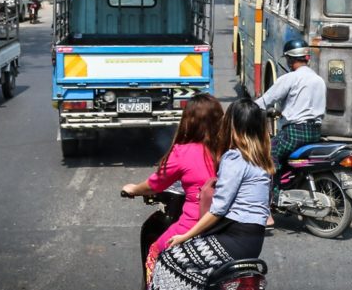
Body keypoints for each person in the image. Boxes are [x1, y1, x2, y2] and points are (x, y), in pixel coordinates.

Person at [151, 98, 274, 290]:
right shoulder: (262, 160)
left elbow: (218, 210)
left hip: (234, 240)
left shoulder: (234, 157)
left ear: (232, 126)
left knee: (169, 258)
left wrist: (184, 236)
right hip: (253, 242)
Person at [121, 93, 223, 288]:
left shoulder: (182, 151)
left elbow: (155, 184)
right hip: (230, 227)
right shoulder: (230, 149)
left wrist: (133, 189)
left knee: (154, 252)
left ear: (189, 121)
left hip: (193, 225)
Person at [254, 38, 326, 227]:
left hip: (295, 132)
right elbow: (305, 105)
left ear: (289, 59)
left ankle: (267, 207)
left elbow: (267, 100)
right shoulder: (318, 80)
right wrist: (282, 111)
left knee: (267, 158)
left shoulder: (290, 78)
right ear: (306, 57)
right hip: (314, 132)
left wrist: (247, 109)